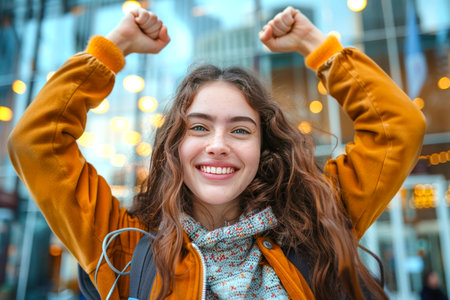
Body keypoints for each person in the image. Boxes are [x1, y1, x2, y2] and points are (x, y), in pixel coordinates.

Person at [8, 5, 426, 300]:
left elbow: (398, 130)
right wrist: (113, 48)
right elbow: (36, 141)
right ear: (175, 146)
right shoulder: (124, 245)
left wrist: (316, 45)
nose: (218, 145)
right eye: (199, 127)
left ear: (264, 149)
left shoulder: (317, 218)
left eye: (240, 129)